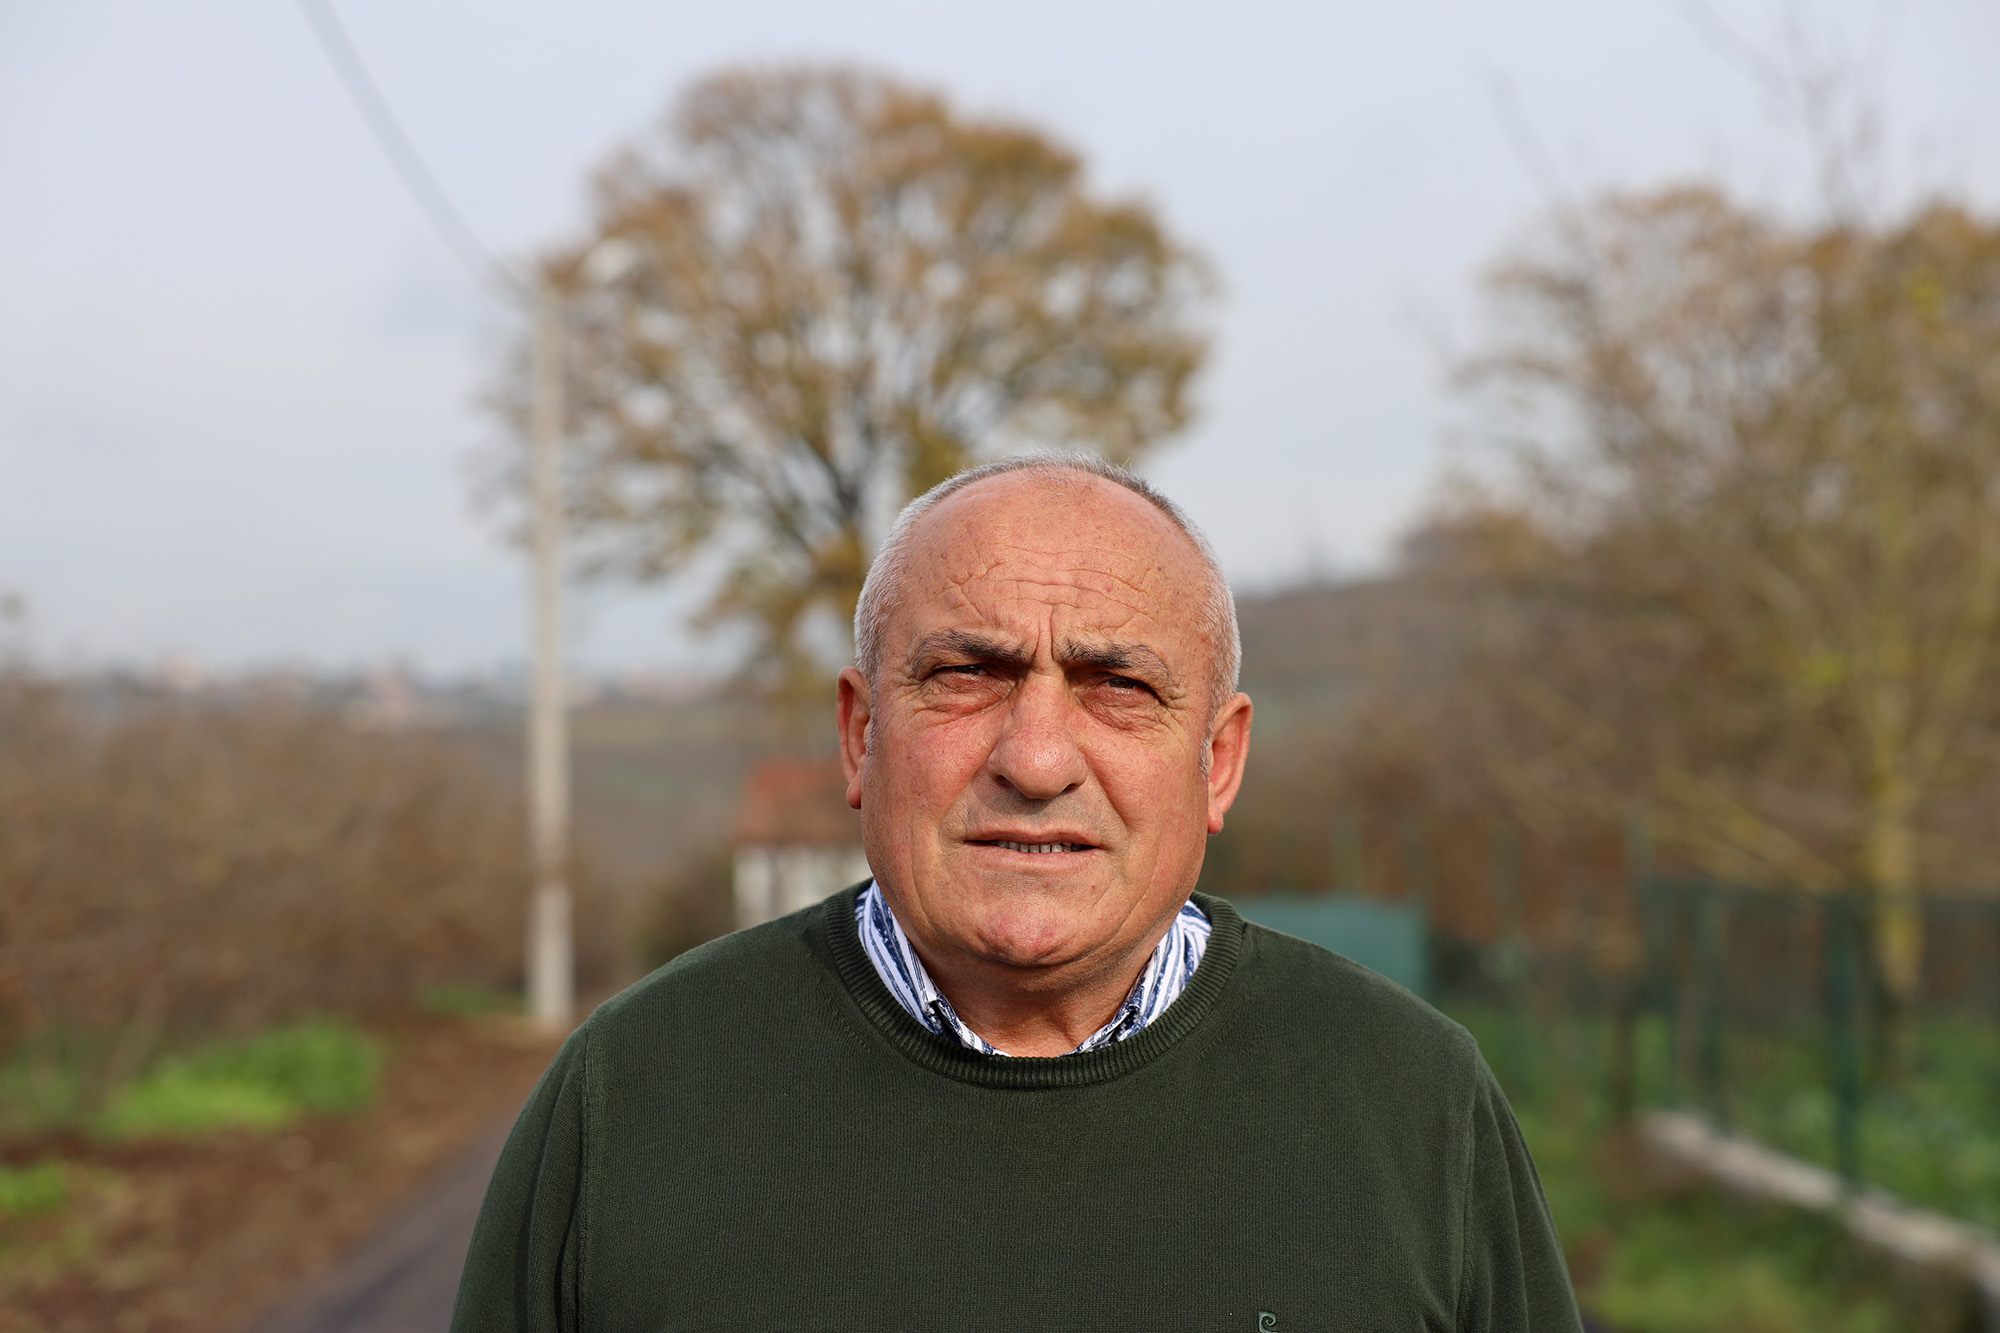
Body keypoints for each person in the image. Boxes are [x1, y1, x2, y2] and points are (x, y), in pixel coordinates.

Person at [452, 455, 1583, 1332]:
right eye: (966, 674)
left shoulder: (1410, 1104)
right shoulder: (633, 1095)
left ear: (1219, 760)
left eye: (1117, 685)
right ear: (858, 735)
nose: (1036, 759)